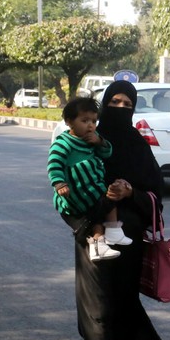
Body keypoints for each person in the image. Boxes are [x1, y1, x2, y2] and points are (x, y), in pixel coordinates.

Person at [72, 81, 170, 340]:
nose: (120, 107)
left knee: (120, 307)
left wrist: (131, 192)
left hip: (129, 246)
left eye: (127, 102)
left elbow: (156, 193)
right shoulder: (81, 143)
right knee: (97, 311)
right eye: (114, 101)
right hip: (93, 242)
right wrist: (91, 218)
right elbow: (66, 192)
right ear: (102, 104)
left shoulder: (137, 145)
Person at [47, 97, 131, 262]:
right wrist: (59, 183)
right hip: (75, 193)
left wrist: (99, 142)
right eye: (84, 120)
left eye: (93, 121)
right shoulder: (63, 143)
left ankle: (101, 243)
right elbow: (54, 164)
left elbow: (107, 154)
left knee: (102, 210)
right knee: (96, 213)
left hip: (92, 188)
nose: (90, 125)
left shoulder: (92, 139)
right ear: (69, 122)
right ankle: (108, 236)